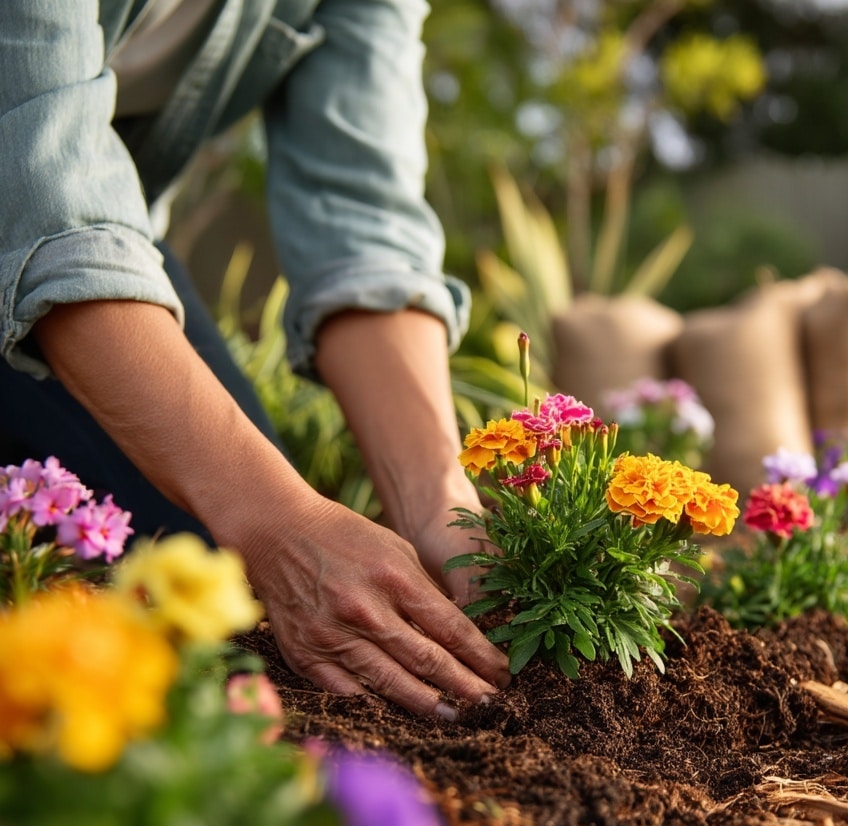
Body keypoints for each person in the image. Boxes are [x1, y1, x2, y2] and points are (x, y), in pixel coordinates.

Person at [0, 0, 511, 720]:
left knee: (232, 584)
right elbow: (44, 207)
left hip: (83, 244)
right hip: (36, 222)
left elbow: (362, 221)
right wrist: (276, 521)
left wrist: (442, 506)